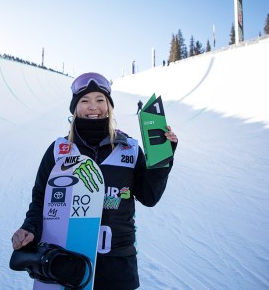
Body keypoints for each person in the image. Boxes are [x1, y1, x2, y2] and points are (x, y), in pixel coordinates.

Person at [12, 72, 178, 290]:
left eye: (100, 100)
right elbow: (41, 200)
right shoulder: (58, 150)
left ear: (109, 106)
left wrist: (162, 158)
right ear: (75, 108)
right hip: (66, 260)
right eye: (85, 101)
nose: (93, 107)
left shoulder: (129, 149)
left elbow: (149, 197)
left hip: (118, 262)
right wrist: (30, 228)